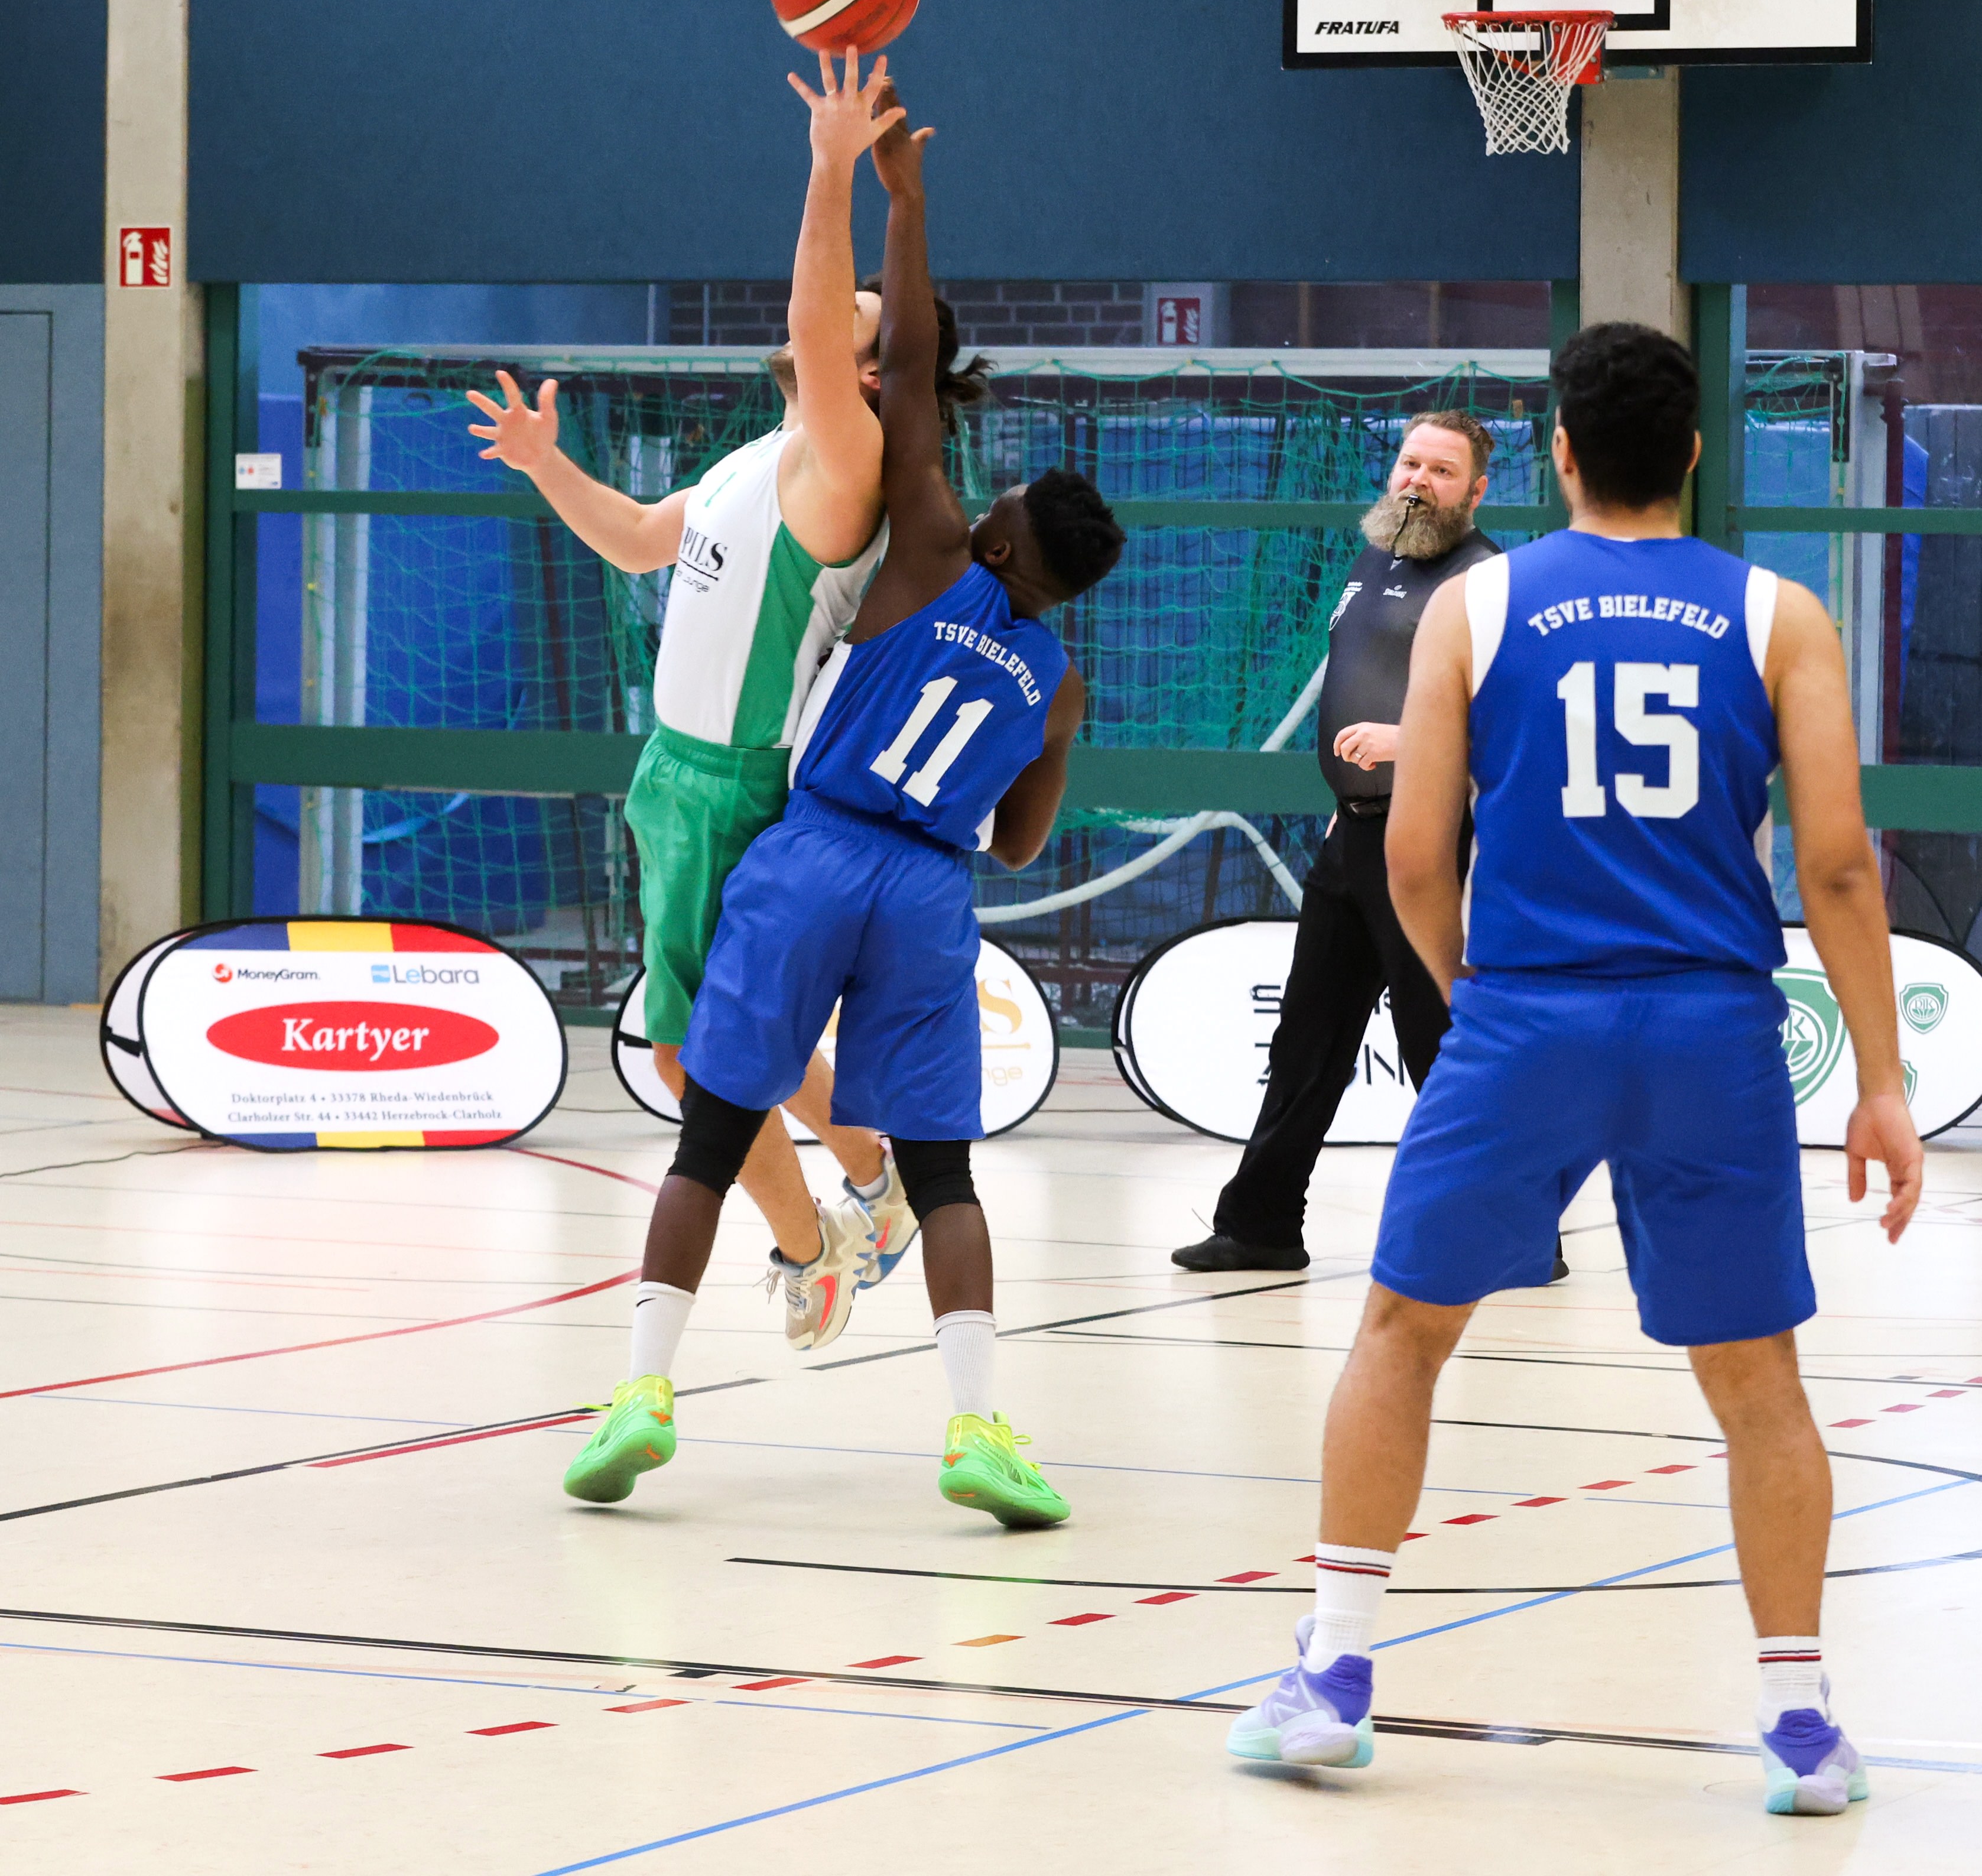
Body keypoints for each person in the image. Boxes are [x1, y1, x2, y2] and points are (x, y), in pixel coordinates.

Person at [1226, 322, 1922, 1816]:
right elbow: (1838, 868)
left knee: (1402, 1332)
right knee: (1759, 1379)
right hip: (1709, 1027)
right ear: (1693, 453)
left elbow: (1416, 854)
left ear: (1556, 453)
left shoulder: (1474, 605)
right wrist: (1880, 1078)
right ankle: (1801, 1723)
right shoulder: (1780, 614)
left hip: (1529, 1015)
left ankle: (1333, 1675)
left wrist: (1468, 991)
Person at [561, 105, 1125, 1526]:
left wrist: (887, 188)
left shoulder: (922, 536)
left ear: (1000, 532)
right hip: (929, 888)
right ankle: (977, 1421)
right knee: (947, 1172)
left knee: (706, 1121)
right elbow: (1022, 844)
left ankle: (647, 1388)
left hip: (806, 841)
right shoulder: (1061, 683)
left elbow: (900, 359)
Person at [467, 50, 984, 1351]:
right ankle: (869, 1180)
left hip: (738, 780)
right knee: (720, 1039)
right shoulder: (766, 452)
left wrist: (829, 170)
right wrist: (545, 465)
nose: (827, 309)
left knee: (692, 1056)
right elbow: (642, 540)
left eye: (857, 312)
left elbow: (817, 321)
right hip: (675, 771)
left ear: (871, 374)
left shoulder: (850, 459)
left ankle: (815, 1250)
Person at [1174, 412, 1563, 1273]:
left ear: (1476, 490)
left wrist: (1406, 743)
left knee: (1442, 1048)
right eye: (1409, 462)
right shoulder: (1371, 558)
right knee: (1305, 1041)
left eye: (1441, 470)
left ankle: (1524, 1235)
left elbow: (1522, 722)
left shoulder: (1486, 580)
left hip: (1434, 844)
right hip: (1350, 841)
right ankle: (1260, 1225)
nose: (1418, 480)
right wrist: (1347, 799)